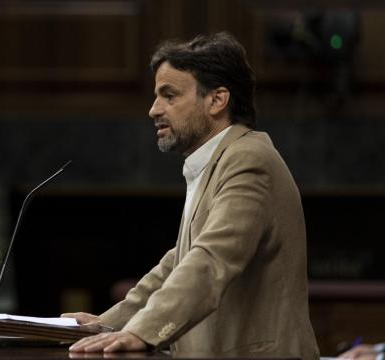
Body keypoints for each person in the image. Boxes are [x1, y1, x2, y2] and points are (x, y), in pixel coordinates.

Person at [62, 32, 320, 360]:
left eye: (169, 96)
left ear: (217, 100)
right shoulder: (217, 160)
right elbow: (179, 263)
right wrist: (106, 325)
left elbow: (211, 260)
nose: (154, 109)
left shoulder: (249, 159)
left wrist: (142, 332)